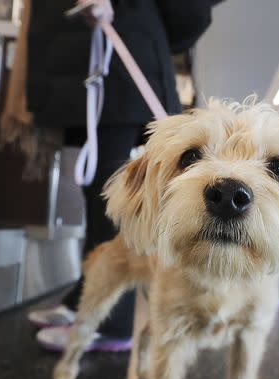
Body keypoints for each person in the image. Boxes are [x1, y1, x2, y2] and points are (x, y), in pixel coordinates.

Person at [18, 0, 217, 351]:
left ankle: (112, 320)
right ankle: (86, 296)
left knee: (110, 201)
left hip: (122, 61)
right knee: (96, 194)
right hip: (88, 63)